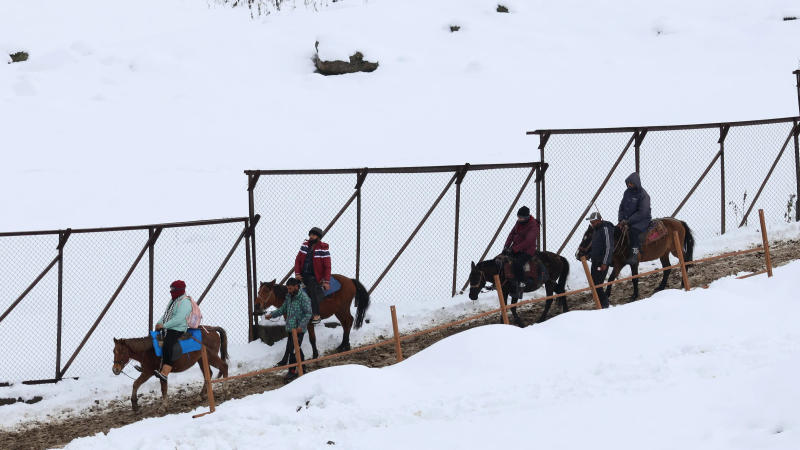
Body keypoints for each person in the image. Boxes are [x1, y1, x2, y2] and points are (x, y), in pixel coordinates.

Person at [264, 278, 312, 381]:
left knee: (293, 349)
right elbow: (283, 309)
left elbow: (308, 313)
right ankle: (302, 368)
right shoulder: (289, 297)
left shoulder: (303, 298)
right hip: (291, 327)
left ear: (296, 286)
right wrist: (272, 314)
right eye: (287, 289)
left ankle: (292, 371)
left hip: (299, 329)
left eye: (290, 289)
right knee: (296, 348)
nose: (289, 291)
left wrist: (301, 326)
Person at [154, 280, 192, 381]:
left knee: (167, 344)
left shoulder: (185, 302)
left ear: (180, 290)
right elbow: (166, 314)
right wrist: (159, 323)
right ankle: (151, 366)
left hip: (178, 329)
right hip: (169, 327)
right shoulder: (173, 300)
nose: (171, 292)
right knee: (154, 340)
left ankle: (165, 373)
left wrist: (164, 325)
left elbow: (179, 318)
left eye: (173, 290)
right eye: (170, 289)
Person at [294, 227, 331, 324]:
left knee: (312, 290)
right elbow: (298, 260)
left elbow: (327, 266)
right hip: (302, 275)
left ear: (318, 237)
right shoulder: (305, 246)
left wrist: (326, 281)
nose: (311, 237)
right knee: (291, 286)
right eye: (310, 235)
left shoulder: (323, 249)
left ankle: (316, 315)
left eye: (313, 235)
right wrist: (297, 274)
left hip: (314, 277)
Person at [503, 206, 540, 299]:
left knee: (517, 264)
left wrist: (514, 249)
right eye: (518, 217)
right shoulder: (519, 222)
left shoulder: (533, 225)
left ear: (527, 217)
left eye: (521, 217)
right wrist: (506, 246)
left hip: (527, 250)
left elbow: (528, 241)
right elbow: (512, 234)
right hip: (516, 248)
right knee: (503, 259)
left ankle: (521, 283)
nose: (518, 219)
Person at [618, 172, 651, 265]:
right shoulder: (627, 192)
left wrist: (628, 221)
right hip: (627, 220)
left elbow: (642, 212)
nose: (629, 185)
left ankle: (635, 255)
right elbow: (621, 207)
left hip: (642, 220)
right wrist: (620, 220)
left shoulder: (644, 195)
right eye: (628, 183)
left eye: (631, 183)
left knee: (633, 232)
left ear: (636, 183)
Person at [586, 212, 614, 309]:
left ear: (599, 220)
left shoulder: (605, 229)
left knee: (597, 285)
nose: (591, 225)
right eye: (591, 223)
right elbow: (596, 246)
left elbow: (608, 247)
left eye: (593, 222)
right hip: (595, 261)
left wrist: (605, 262)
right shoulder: (596, 230)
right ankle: (601, 304)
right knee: (594, 284)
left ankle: (605, 305)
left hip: (602, 263)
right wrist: (589, 255)